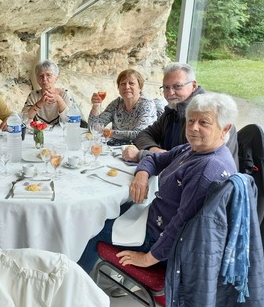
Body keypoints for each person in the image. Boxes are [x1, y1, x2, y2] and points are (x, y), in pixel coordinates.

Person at [78, 92, 238, 274]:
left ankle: (73, 289)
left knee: (91, 228)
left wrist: (148, 258)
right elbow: (154, 159)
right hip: (152, 218)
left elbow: (182, 224)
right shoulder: (193, 149)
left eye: (204, 123)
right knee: (103, 212)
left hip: (159, 241)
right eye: (191, 120)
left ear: (225, 129)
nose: (193, 128)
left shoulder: (208, 168)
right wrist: (142, 175)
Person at [122, 62, 238, 164]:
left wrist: (142, 155)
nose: (170, 93)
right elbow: (144, 135)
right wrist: (155, 150)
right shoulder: (174, 109)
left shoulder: (213, 114)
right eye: (166, 87)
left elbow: (197, 163)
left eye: (177, 86)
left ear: (193, 85)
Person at [88, 69, 157, 145]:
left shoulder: (146, 105)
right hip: (115, 149)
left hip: (138, 150)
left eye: (131, 83)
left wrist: (112, 133)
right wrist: (96, 106)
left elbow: (141, 134)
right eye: (123, 84)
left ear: (140, 87)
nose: (127, 87)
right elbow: (93, 128)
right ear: (119, 88)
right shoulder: (116, 104)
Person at [22, 60, 74, 126]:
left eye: (48, 75)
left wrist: (59, 99)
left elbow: (70, 121)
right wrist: (40, 102)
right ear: (37, 79)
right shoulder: (33, 95)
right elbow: (23, 119)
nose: (44, 79)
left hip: (60, 134)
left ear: (56, 78)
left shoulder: (65, 94)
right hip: (38, 134)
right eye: (41, 76)